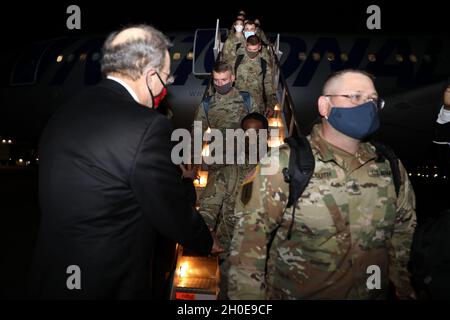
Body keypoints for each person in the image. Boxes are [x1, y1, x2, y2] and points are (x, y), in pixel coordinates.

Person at [30, 25, 213, 299]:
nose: (165, 85)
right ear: (151, 75)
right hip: (108, 283)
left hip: (52, 276)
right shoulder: (146, 125)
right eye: (166, 77)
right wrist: (206, 240)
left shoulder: (66, 111)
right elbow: (167, 207)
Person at [228, 69, 417, 300]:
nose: (368, 107)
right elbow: (248, 249)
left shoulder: (389, 166)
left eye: (373, 100)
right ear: (325, 106)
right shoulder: (284, 164)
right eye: (356, 97)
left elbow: (403, 232)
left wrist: (402, 288)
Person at [234, 35, 277, 117]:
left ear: (260, 47)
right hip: (238, 104)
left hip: (257, 105)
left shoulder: (264, 64)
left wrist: (270, 104)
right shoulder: (236, 61)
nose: (252, 52)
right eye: (249, 49)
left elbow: (268, 86)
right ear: (246, 45)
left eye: (255, 49)